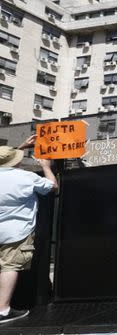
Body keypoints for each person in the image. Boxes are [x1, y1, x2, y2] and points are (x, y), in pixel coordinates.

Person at [0, 136, 57, 324]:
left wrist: (21, 145)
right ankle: (3, 310)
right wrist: (46, 167)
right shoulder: (25, 177)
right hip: (16, 232)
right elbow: (52, 187)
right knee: (10, 267)